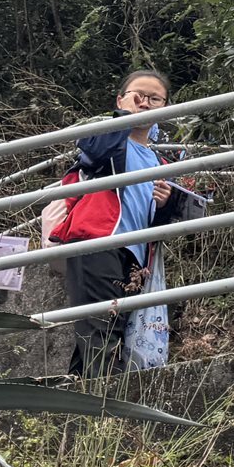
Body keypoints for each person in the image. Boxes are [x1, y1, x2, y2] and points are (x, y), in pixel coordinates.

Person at [51, 69, 199, 377]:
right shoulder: (108, 139)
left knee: (109, 328)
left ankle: (76, 395)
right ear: (120, 100)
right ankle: (108, 399)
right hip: (97, 240)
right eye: (138, 95)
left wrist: (165, 204)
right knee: (101, 327)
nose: (145, 103)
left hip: (135, 256)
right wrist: (123, 118)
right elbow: (94, 150)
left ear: (165, 108)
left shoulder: (160, 163)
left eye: (154, 99)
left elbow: (160, 223)